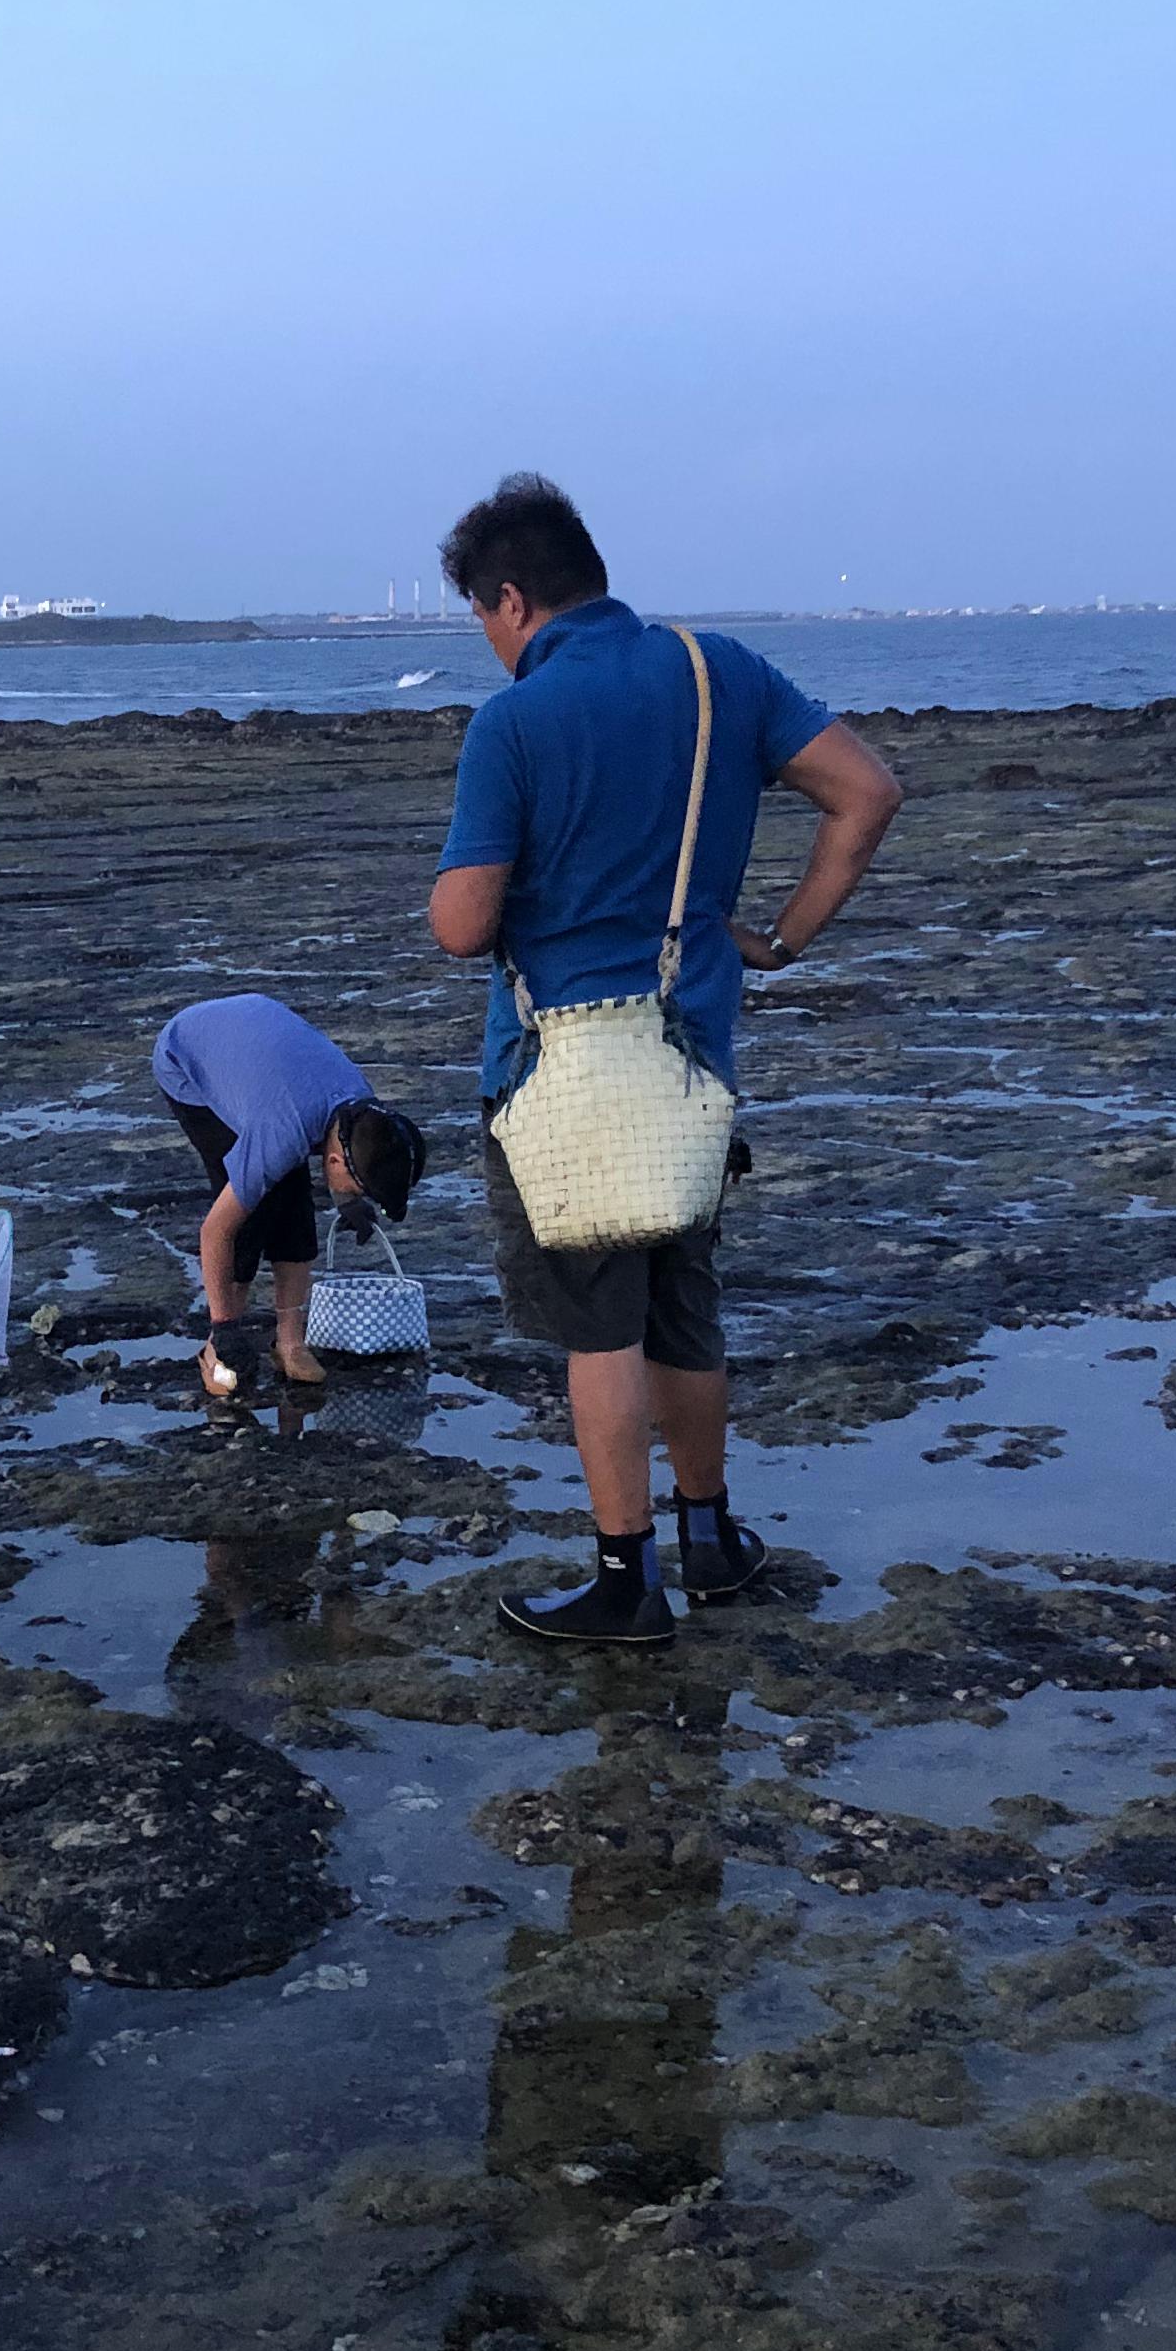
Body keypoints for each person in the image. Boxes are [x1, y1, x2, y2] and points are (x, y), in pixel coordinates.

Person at [425, 472, 905, 1645]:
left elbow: (462, 924)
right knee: (683, 1308)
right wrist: (780, 941)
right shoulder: (717, 672)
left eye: (482, 620)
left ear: (510, 599)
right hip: (689, 1060)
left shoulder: (516, 723)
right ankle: (709, 1536)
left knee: (602, 1327)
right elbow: (866, 792)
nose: (488, 643)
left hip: (556, 1075)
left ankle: (624, 1578)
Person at [149, 992, 425, 1396]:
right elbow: (215, 1232)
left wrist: (351, 1203)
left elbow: (345, 1160)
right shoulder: (281, 1131)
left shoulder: (364, 1110)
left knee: (295, 1207)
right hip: (187, 1059)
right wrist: (226, 1326)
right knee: (253, 1215)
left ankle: (290, 1344)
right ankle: (218, 1353)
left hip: (257, 1044)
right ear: (334, 1162)